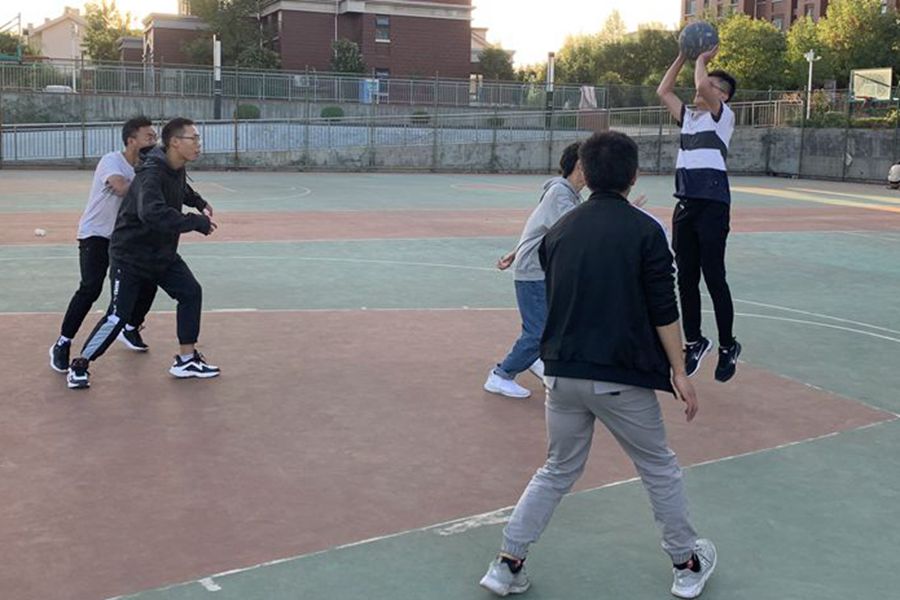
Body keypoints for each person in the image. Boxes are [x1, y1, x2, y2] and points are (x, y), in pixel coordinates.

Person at [479, 131, 716, 599]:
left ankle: (507, 563)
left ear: (585, 172)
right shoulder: (647, 230)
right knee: (658, 468)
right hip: (619, 375)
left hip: (562, 373)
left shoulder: (560, 230)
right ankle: (687, 564)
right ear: (634, 175)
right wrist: (679, 371)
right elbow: (663, 307)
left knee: (556, 469)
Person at [66, 117, 219, 390]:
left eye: (198, 139)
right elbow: (152, 213)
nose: (198, 144)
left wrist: (198, 202)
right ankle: (80, 364)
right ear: (175, 142)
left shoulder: (175, 166)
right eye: (193, 138)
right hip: (131, 255)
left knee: (190, 292)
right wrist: (195, 222)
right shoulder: (151, 173)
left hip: (161, 252)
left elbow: (179, 188)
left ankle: (186, 360)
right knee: (118, 316)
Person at [656, 45, 741, 382]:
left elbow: (702, 85)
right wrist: (681, 56)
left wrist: (702, 59)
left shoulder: (723, 117)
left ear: (723, 96)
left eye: (712, 86)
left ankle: (728, 345)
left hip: (712, 204)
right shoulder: (689, 119)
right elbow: (663, 91)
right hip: (686, 204)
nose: (701, 89)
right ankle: (695, 341)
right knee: (686, 277)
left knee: (714, 275)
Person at [49, 116, 159, 373]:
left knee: (148, 280)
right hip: (96, 234)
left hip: (125, 240)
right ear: (131, 140)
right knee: (90, 288)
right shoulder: (112, 161)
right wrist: (152, 180)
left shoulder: (148, 167)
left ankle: (129, 327)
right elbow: (120, 187)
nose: (154, 141)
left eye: (155, 137)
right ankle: (62, 343)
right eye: (149, 137)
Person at [484, 143, 586, 399]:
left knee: (548, 325)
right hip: (534, 272)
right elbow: (577, 230)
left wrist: (515, 252)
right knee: (538, 331)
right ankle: (501, 375)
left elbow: (538, 227)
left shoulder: (569, 195)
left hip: (542, 269)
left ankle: (536, 359)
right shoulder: (560, 194)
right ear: (579, 166)